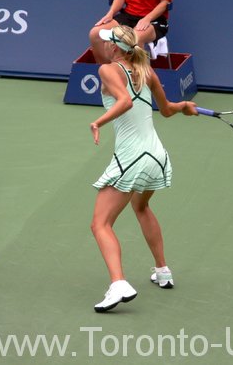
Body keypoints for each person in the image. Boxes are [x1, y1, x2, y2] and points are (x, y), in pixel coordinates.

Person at [89, 25, 197, 312]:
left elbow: (124, 102)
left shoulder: (108, 70)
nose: (106, 46)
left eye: (109, 43)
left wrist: (98, 122)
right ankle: (162, 270)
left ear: (115, 48)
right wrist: (184, 104)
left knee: (100, 224)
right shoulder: (147, 72)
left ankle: (118, 283)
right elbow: (167, 109)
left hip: (131, 157)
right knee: (141, 207)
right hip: (157, 156)